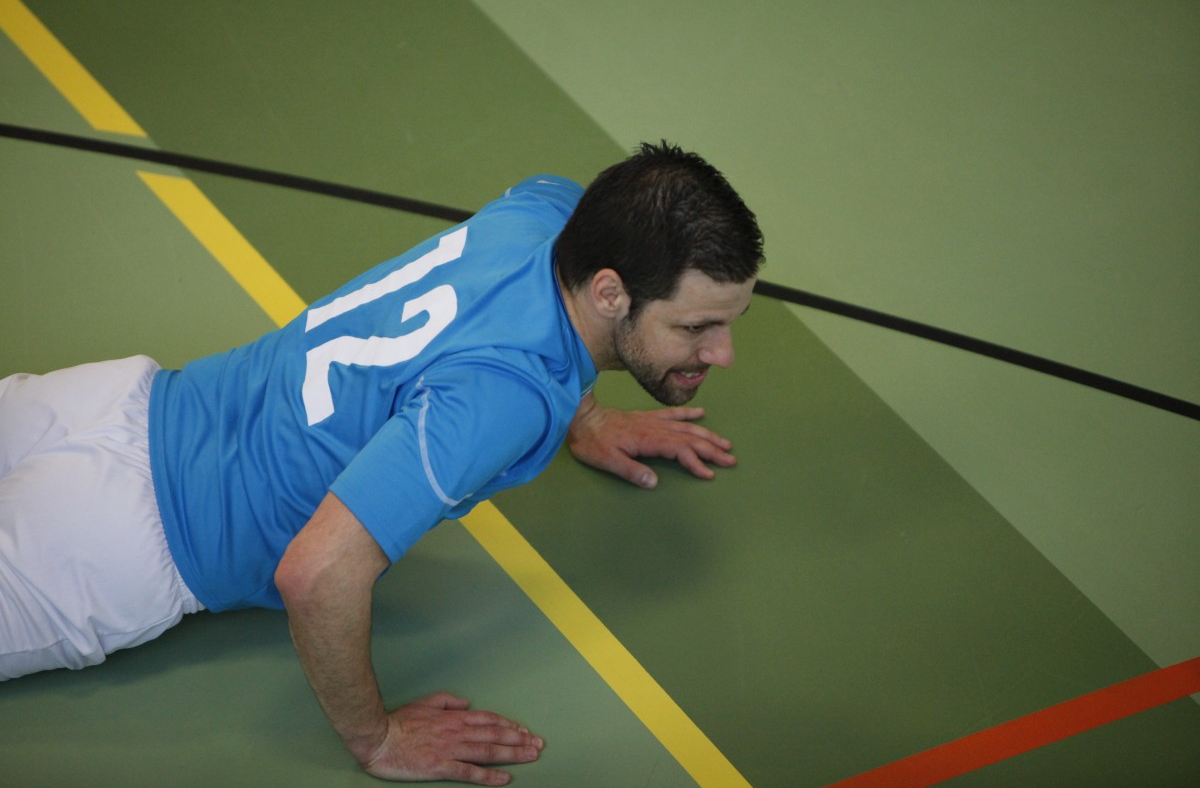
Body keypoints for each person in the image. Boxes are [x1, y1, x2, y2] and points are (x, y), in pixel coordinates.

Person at [0, 142, 764, 785]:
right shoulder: (504, 401)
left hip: (110, 401)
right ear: (610, 294)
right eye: (696, 327)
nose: (722, 353)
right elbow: (315, 574)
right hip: (112, 544)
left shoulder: (555, 212)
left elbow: (528, 315)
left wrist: (584, 413)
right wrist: (378, 738)